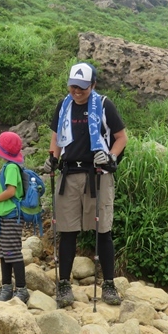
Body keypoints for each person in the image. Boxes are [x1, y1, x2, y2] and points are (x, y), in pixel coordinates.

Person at [44, 62, 127, 308]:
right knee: (67, 231)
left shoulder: (103, 105)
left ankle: (109, 285)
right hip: (69, 174)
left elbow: (122, 137)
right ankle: (64, 284)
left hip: (97, 174)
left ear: (93, 85)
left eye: (82, 87)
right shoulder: (64, 105)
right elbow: (57, 136)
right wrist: (52, 159)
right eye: (73, 86)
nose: (76, 92)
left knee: (103, 230)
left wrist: (110, 157)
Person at [0, 132, 29, 303]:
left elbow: (11, 191)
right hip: (5, 217)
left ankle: (22, 290)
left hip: (11, 217)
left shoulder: (11, 168)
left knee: (12, 253)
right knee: (4, 253)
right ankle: (7, 288)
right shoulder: (10, 166)